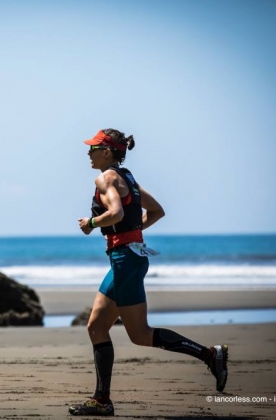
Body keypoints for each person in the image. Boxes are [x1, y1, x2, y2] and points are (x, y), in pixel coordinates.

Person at [68, 129, 228, 417]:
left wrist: (91, 222)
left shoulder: (105, 179)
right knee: (98, 327)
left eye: (93, 148)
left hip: (125, 261)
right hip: (129, 258)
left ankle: (209, 355)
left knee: (138, 334)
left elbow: (116, 213)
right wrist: (134, 234)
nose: (88, 153)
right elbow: (157, 211)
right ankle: (102, 399)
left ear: (107, 151)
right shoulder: (127, 177)